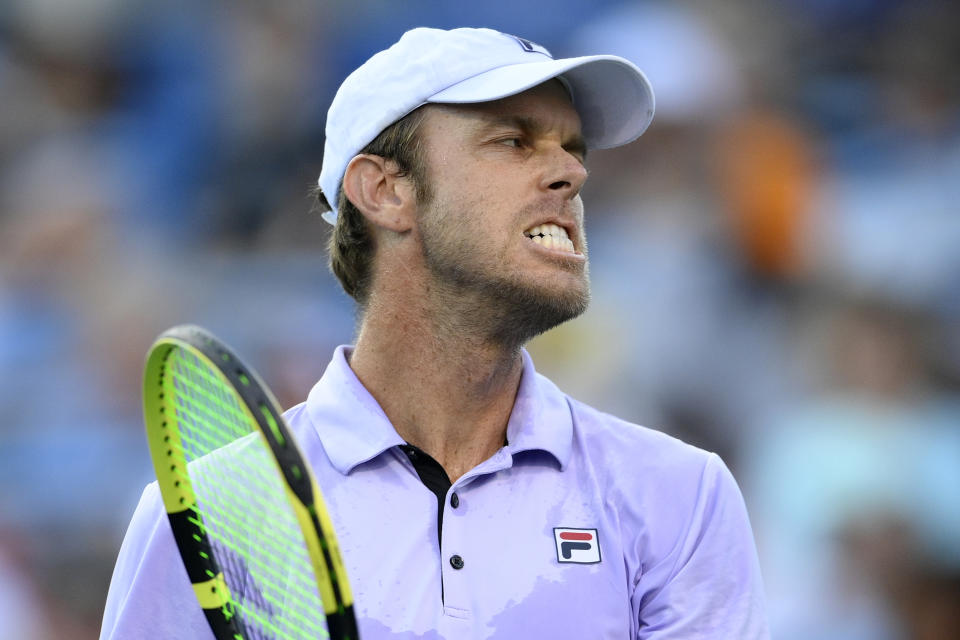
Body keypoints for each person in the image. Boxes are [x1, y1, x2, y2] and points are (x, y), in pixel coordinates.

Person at [100, 27, 768, 639]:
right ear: (385, 191)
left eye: (571, 147)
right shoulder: (200, 516)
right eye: (513, 141)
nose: (573, 173)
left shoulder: (681, 495)